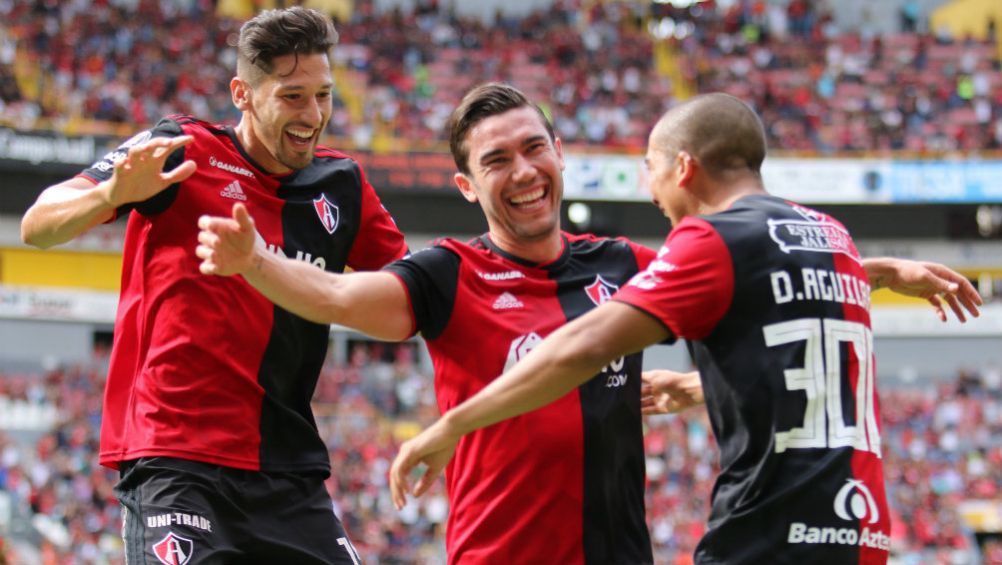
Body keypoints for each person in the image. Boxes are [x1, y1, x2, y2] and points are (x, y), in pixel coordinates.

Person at [196, 83, 979, 564]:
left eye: (534, 147)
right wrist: (257, 263)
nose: (524, 170)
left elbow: (747, 273)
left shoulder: (623, 260)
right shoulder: (447, 272)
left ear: (560, 154)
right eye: (497, 160)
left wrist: (884, 271)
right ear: (467, 186)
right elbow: (339, 298)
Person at [20, 7, 407, 564]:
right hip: (175, 459)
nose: (314, 114)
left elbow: (410, 291)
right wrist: (109, 195)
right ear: (243, 93)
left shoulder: (341, 184)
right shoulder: (182, 151)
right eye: (293, 96)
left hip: (288, 469)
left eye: (323, 95)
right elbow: (37, 223)